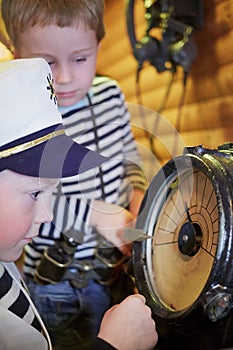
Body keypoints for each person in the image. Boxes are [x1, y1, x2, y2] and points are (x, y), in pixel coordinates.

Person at [1, 1, 148, 349]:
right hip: (57, 281)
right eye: (48, 62)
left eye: (80, 59)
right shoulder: (28, 122)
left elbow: (127, 157)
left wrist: (140, 198)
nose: (64, 78)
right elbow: (31, 198)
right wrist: (94, 213)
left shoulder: (111, 95)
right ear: (15, 52)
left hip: (112, 265)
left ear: (98, 46)